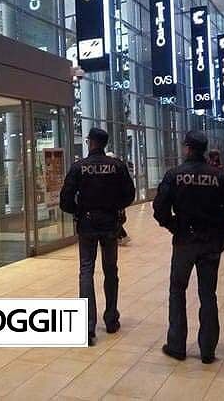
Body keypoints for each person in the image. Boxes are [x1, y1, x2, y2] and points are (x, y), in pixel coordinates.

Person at [153, 131, 224, 363]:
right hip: (210, 241)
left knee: (177, 291)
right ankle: (208, 349)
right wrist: (221, 228)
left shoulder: (174, 175)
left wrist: (173, 226)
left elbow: (159, 208)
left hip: (184, 240)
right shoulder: (219, 175)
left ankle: (176, 345)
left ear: (187, 148)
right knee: (208, 294)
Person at [60, 128, 135, 346]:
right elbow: (129, 194)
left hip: (87, 223)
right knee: (111, 270)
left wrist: (78, 210)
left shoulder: (79, 167)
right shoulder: (117, 166)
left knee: (86, 271)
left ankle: (87, 326)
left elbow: (65, 199)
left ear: (90, 142)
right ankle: (111, 319)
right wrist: (114, 207)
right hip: (110, 223)